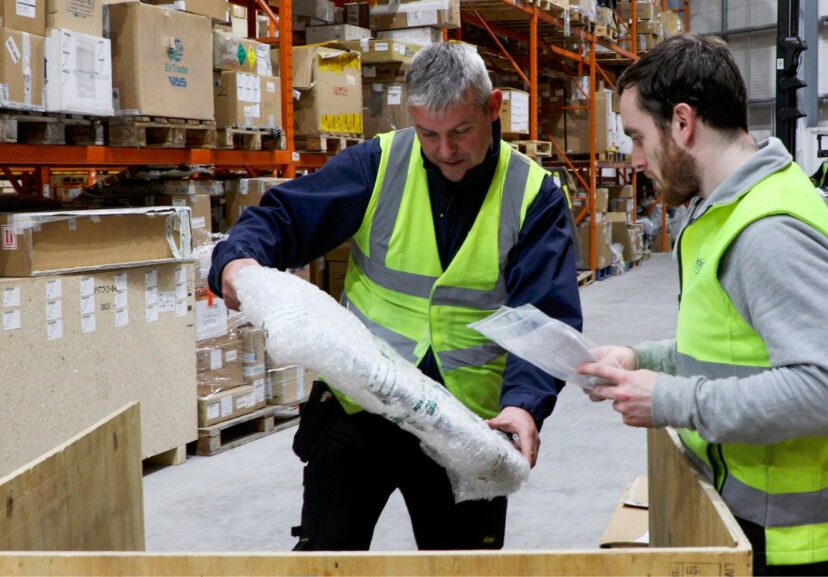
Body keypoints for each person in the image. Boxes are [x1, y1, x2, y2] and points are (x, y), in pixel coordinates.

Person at [208, 43, 582, 551]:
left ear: (493, 108)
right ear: (412, 118)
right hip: (362, 401)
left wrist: (524, 407)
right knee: (328, 555)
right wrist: (237, 260)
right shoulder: (379, 164)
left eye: (461, 132)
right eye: (429, 134)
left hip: (467, 424)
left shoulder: (534, 195)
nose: (445, 150)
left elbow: (543, 320)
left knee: (461, 565)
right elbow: (284, 216)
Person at [575, 34, 828, 576]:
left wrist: (671, 399)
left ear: (683, 123)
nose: (635, 159)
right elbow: (734, 350)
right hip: (746, 515)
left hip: (785, 541)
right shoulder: (727, 208)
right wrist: (643, 360)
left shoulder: (770, 230)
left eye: (639, 138)